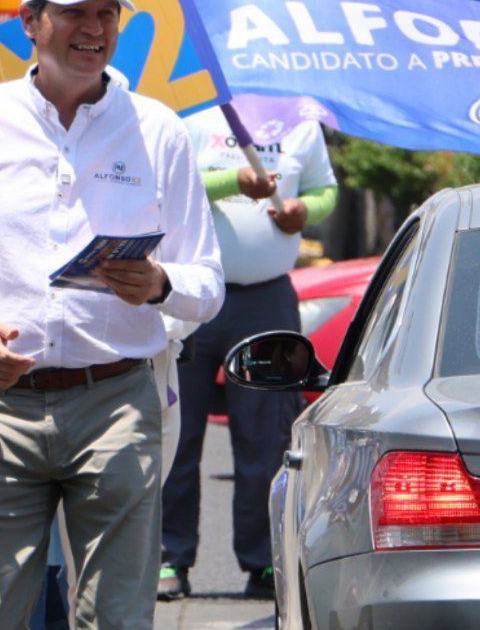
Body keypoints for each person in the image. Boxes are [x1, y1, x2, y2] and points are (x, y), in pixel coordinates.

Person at [0, 0, 224, 629]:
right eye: (75, 12)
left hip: (117, 403)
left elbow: (207, 284)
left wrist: (160, 283)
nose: (94, 29)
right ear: (31, 21)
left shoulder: (159, 131)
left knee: (117, 619)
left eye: (108, 13)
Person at [158, 106, 337, 601]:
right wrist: (234, 180)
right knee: (178, 433)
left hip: (267, 298)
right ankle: (170, 557)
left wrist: (306, 211)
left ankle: (264, 562)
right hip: (192, 297)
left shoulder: (302, 119)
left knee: (267, 438)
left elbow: (326, 190)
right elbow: (171, 179)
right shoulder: (194, 111)